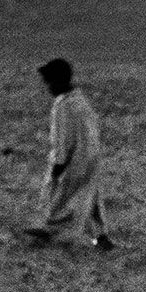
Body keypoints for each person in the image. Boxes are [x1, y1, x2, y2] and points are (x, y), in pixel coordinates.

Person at [25, 58, 115, 250]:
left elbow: (62, 140)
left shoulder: (62, 106)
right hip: (92, 157)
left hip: (74, 160)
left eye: (49, 82)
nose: (47, 87)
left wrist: (58, 166)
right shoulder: (80, 100)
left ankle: (49, 229)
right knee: (90, 197)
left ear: (57, 81)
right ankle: (100, 237)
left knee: (59, 195)